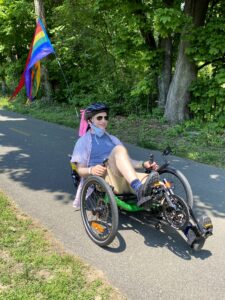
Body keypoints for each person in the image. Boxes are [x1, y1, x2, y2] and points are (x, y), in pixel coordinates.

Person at [70, 103, 159, 210]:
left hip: (126, 179)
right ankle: (139, 189)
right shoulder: (83, 142)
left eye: (106, 118)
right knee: (119, 150)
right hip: (107, 179)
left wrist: (143, 164)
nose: (103, 121)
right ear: (90, 121)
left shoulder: (113, 139)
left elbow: (126, 162)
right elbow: (80, 170)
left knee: (156, 186)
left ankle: (174, 212)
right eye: (99, 118)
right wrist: (91, 169)